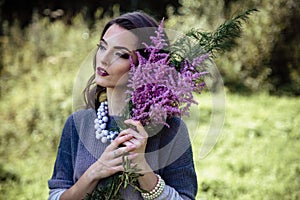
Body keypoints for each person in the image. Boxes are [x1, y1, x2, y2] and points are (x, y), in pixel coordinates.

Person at [48, 11, 198, 200]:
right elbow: (56, 195)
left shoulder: (171, 130)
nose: (103, 59)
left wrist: (142, 169)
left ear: (147, 65)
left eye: (120, 54)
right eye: (102, 47)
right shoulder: (77, 124)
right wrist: (95, 172)